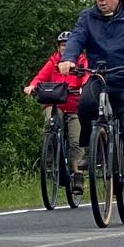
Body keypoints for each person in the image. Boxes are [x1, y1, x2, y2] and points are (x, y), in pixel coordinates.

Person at [57, 0, 124, 204]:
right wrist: (67, 59)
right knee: (85, 103)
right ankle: (90, 145)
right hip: (100, 76)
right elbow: (77, 38)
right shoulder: (87, 17)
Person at [24, 31, 88, 189]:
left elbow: (86, 77)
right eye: (62, 46)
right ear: (58, 48)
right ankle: (52, 162)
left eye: (68, 46)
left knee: (76, 140)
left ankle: (77, 173)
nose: (65, 49)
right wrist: (32, 86)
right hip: (55, 104)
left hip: (74, 105)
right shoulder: (53, 62)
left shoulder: (81, 62)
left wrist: (85, 88)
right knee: (50, 126)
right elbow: (41, 76)